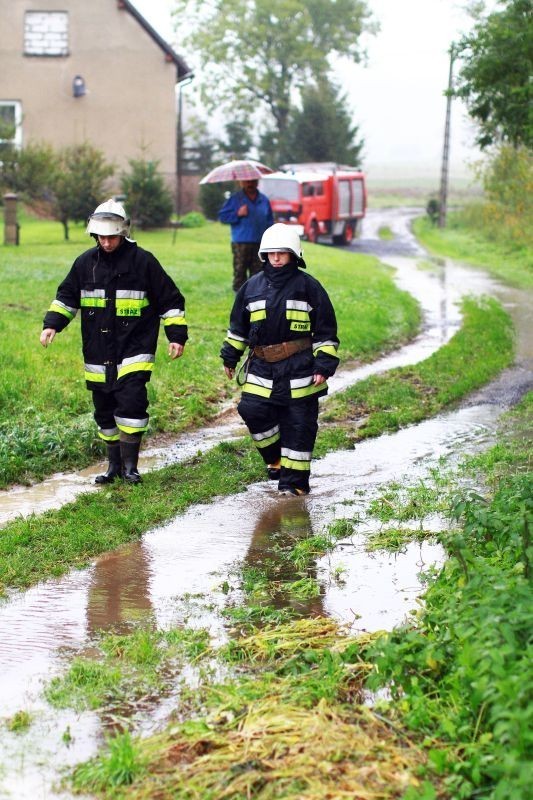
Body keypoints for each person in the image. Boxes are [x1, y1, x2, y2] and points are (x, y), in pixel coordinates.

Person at [40, 199, 188, 485]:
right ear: (94, 235)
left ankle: (131, 467)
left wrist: (176, 336)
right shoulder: (85, 263)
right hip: (97, 350)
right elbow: (67, 297)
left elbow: (170, 301)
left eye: (112, 237)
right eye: (102, 237)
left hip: (135, 347)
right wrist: (51, 325)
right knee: (104, 409)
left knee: (132, 401)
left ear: (123, 233)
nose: (107, 243)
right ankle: (113, 467)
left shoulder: (143, 262)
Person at [220, 222, 339, 496]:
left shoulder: (309, 288)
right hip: (261, 367)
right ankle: (274, 460)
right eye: (271, 253)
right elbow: (238, 329)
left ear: (293, 255)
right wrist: (230, 356)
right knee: (251, 410)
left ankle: (294, 488)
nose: (276, 258)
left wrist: (324, 364)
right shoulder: (251, 288)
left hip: (300, 369)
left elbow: (325, 332)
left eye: (282, 253)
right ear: (263, 255)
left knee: (298, 426)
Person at [218, 178, 274, 291]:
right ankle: (240, 298)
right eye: (246, 181)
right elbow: (222, 217)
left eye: (253, 181)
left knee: (259, 273)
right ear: (241, 182)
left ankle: (256, 297)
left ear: (257, 182)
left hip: (260, 243)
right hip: (241, 242)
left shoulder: (263, 200)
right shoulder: (235, 199)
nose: (250, 183)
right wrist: (237, 213)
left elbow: (270, 221)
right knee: (240, 271)